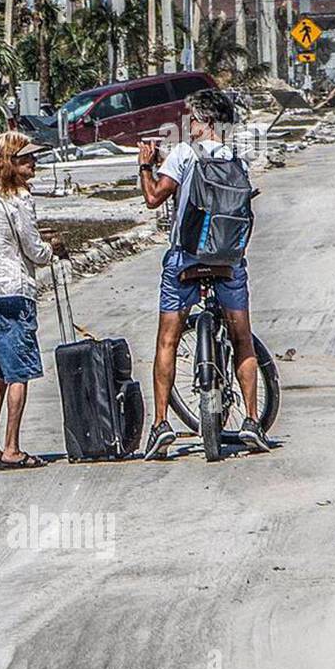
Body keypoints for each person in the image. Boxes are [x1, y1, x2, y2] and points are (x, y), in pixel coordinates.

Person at [137, 87, 270, 459]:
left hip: (186, 261)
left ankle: (161, 425)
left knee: (167, 341)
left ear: (206, 122)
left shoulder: (182, 154)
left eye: (192, 119)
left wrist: (146, 165)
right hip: (229, 262)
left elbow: (153, 198)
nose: (188, 125)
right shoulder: (237, 159)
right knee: (242, 339)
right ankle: (252, 422)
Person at [0, 131, 67, 470]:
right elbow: (34, 250)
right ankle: (12, 448)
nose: (33, 162)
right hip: (14, 291)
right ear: (10, 163)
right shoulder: (19, 197)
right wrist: (54, 250)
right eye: (26, 158)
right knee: (18, 371)